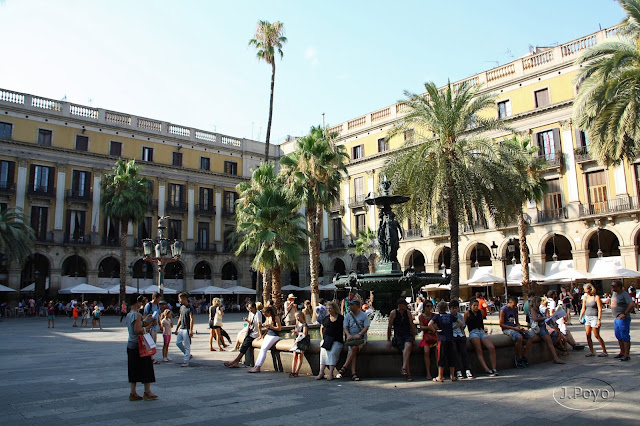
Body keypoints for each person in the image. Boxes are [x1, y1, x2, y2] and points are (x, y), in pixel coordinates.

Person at [125, 295, 157, 401]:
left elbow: (135, 326)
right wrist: (147, 327)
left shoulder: (129, 314)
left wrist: (145, 320)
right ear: (137, 303)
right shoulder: (137, 314)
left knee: (133, 369)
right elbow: (137, 330)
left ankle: (132, 392)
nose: (141, 304)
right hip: (139, 346)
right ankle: (147, 392)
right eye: (141, 302)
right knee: (147, 367)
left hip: (130, 344)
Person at [429, 301, 463, 382]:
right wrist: (454, 328)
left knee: (441, 357)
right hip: (450, 338)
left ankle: (440, 376)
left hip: (442, 338)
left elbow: (429, 324)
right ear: (447, 308)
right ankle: (452, 376)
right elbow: (460, 322)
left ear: (439, 308)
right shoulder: (450, 316)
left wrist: (435, 330)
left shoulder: (437, 316)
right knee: (451, 356)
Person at [337, 299, 370, 381]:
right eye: (350, 305)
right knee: (353, 350)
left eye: (352, 305)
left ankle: (344, 368)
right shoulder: (348, 315)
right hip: (351, 338)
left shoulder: (364, 315)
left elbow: (366, 327)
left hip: (361, 338)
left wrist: (359, 334)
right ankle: (353, 373)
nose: (350, 307)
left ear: (358, 307)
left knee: (354, 348)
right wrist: (348, 335)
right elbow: (345, 327)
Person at [225, 302, 264, 369]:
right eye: (249, 308)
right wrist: (247, 321)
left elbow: (259, 324)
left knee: (244, 346)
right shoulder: (252, 313)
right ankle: (235, 362)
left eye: (251, 308)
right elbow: (252, 323)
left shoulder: (258, 313)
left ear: (255, 307)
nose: (250, 309)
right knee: (243, 346)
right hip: (250, 332)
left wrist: (260, 335)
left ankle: (235, 362)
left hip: (254, 334)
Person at [528, 296, 566, 365]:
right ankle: (555, 358)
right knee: (549, 342)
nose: (539, 304)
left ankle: (557, 355)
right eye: (538, 302)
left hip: (543, 326)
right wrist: (545, 318)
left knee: (552, 339)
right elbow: (535, 319)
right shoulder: (532, 309)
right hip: (539, 328)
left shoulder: (537, 309)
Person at [465, 299, 498, 376]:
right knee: (479, 350)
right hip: (473, 332)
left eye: (477, 305)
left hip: (482, 332)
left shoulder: (481, 312)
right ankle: (486, 369)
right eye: (474, 305)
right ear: (470, 306)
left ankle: (494, 368)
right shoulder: (467, 313)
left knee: (491, 348)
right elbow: (464, 324)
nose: (476, 307)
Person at [387, 298, 417, 381]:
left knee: (408, 346)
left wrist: (413, 338)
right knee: (405, 350)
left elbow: (411, 325)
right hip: (398, 336)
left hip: (407, 335)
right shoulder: (393, 313)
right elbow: (389, 327)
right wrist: (388, 340)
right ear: (400, 305)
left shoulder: (408, 313)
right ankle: (408, 374)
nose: (406, 306)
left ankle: (404, 368)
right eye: (405, 305)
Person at [500, 296, 533, 368]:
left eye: (515, 305)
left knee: (530, 336)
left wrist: (519, 327)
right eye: (513, 305)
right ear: (509, 302)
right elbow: (501, 324)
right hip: (507, 329)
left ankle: (525, 357)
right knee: (519, 337)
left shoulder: (515, 309)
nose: (514, 307)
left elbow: (517, 322)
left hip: (514, 327)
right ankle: (518, 357)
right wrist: (514, 328)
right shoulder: (503, 310)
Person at [316, 301, 344, 380]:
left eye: (330, 308)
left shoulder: (340, 318)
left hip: (337, 340)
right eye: (327, 308)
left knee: (332, 353)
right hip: (327, 340)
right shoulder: (326, 318)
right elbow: (322, 327)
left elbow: (345, 328)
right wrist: (323, 337)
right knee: (323, 354)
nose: (329, 310)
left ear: (335, 309)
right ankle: (321, 372)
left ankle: (331, 373)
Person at [249, 306, 281, 373]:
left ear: (269, 312)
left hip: (274, 335)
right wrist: (264, 334)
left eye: (265, 314)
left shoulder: (276, 317)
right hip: (269, 334)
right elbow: (268, 328)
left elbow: (279, 328)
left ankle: (258, 366)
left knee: (264, 349)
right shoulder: (268, 317)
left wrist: (271, 327)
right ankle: (256, 366)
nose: (264, 315)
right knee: (262, 349)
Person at [579, 283, 607, 357]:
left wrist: (599, 319)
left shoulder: (596, 297)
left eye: (585, 289)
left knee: (596, 335)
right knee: (588, 335)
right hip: (587, 317)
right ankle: (591, 351)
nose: (584, 290)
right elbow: (583, 308)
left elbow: (600, 309)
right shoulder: (585, 298)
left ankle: (604, 351)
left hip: (594, 317)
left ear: (589, 289)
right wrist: (580, 316)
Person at [449, 300, 473, 379]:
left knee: (464, 352)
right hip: (452, 336)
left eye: (456, 308)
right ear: (450, 308)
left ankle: (467, 369)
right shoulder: (448, 316)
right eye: (453, 308)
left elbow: (462, 327)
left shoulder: (460, 316)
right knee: (454, 352)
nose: (454, 310)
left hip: (460, 335)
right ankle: (458, 370)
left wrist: (463, 335)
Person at [610, 280, 634, 361]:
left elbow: (631, 304)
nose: (612, 288)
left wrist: (625, 313)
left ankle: (627, 354)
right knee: (618, 336)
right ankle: (622, 352)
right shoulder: (614, 293)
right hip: (616, 318)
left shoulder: (624, 294)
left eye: (614, 286)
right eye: (612, 286)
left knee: (625, 336)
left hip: (623, 319)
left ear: (619, 287)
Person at [418, 300, 437, 380]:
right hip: (426, 337)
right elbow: (421, 327)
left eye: (430, 306)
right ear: (424, 307)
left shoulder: (435, 315)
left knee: (437, 352)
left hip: (434, 336)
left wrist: (428, 328)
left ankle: (439, 371)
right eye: (427, 306)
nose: (429, 308)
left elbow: (436, 326)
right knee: (426, 352)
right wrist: (430, 327)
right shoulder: (421, 316)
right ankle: (428, 372)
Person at [175, 292, 194, 367]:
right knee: (178, 343)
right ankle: (188, 355)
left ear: (184, 298)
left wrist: (191, 329)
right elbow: (180, 317)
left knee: (187, 345)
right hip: (181, 328)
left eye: (180, 298)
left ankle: (186, 361)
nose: (179, 300)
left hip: (187, 329)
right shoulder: (181, 307)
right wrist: (177, 328)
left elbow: (192, 319)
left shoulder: (190, 308)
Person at [289, 311, 309, 378]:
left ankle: (296, 372)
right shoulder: (297, 324)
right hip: (297, 341)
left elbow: (304, 334)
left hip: (302, 342)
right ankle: (292, 371)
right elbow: (294, 333)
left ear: (301, 316)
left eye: (298, 316)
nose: (297, 318)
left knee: (300, 356)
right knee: (294, 356)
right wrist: (293, 333)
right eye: (296, 317)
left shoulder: (304, 324)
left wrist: (297, 333)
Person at [143, 292, 162, 363]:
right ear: (154, 298)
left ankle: (151, 357)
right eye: (158, 299)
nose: (159, 301)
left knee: (153, 343)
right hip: (149, 327)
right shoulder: (148, 305)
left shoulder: (157, 305)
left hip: (155, 327)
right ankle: (150, 358)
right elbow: (145, 316)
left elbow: (159, 314)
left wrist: (160, 324)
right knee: (149, 343)